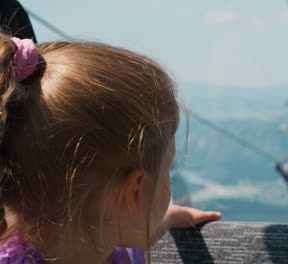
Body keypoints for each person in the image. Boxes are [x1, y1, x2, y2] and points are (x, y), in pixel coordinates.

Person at [0, 35, 222, 264]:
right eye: (167, 167)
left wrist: (169, 218)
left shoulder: (105, 244)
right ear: (135, 191)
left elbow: (128, 219)